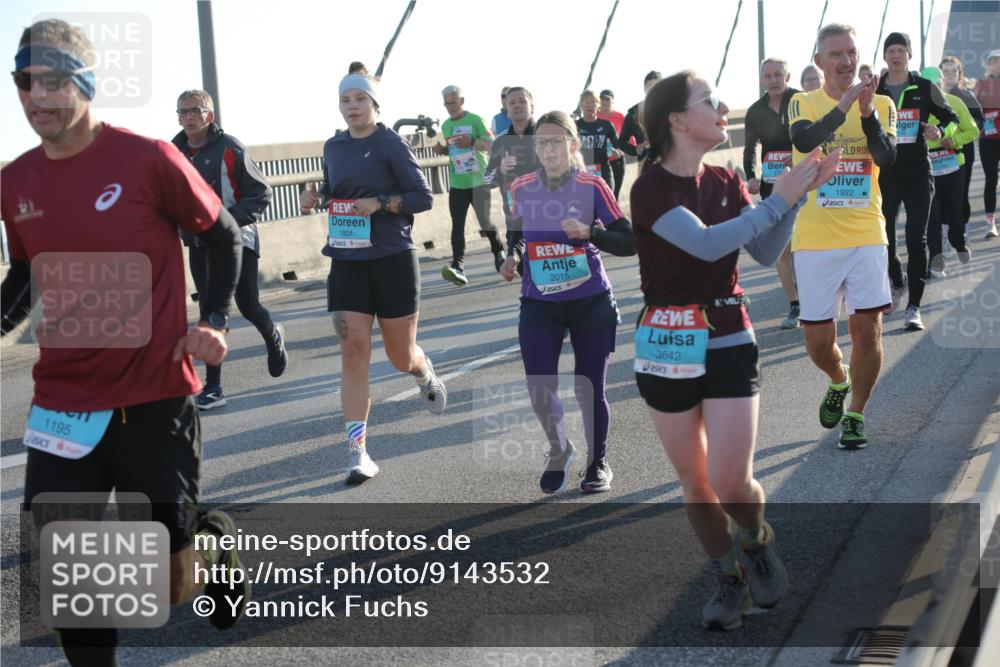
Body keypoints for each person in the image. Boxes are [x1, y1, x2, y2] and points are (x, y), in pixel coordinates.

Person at [1, 19, 251, 665]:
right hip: (61, 407)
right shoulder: (16, 180)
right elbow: (27, 274)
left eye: (53, 82)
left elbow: (223, 234)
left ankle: (215, 544)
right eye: (24, 82)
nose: (36, 97)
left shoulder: (148, 160)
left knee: (167, 585)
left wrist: (214, 320)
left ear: (84, 84)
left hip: (153, 399)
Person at [630, 70, 839, 630]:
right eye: (711, 101)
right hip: (665, 343)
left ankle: (755, 540)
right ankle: (728, 579)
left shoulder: (726, 179)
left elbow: (765, 251)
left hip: (728, 337)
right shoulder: (650, 187)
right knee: (696, 482)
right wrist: (779, 199)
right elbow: (702, 244)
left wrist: (793, 200)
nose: (724, 108)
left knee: (731, 479)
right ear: (677, 119)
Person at [298, 74, 444, 484]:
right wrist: (317, 199)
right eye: (345, 99)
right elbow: (333, 191)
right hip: (346, 260)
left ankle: (422, 370)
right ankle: (357, 452)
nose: (352, 106)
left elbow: (422, 197)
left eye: (360, 98)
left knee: (401, 356)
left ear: (376, 105)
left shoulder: (391, 145)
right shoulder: (334, 146)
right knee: (353, 351)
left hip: (393, 258)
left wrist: (379, 203)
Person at [500, 110, 635, 494]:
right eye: (541, 142)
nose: (548, 149)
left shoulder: (592, 185)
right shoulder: (521, 187)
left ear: (573, 145)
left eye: (557, 141)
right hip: (539, 300)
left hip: (590, 298)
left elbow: (627, 240)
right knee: (538, 386)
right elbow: (519, 234)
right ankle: (559, 448)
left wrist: (591, 232)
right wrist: (512, 257)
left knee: (589, 387)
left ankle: (597, 463)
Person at [788, 23, 898, 448]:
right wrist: (843, 108)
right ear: (819, 61)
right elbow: (804, 137)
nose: (846, 61)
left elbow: (886, 155)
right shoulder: (803, 102)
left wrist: (866, 113)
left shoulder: (882, 103)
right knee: (818, 341)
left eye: (851, 52)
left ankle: (855, 414)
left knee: (867, 330)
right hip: (815, 237)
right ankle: (838, 378)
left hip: (866, 230)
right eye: (835, 54)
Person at [172, 89, 287, 409]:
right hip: (198, 243)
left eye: (195, 110)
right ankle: (213, 387)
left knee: (247, 304)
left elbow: (260, 193)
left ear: (210, 115)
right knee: (210, 310)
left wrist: (225, 223)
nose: (188, 117)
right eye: (182, 112)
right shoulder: (173, 152)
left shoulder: (229, 147)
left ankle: (272, 334)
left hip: (237, 238)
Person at [876, 32, 960, 331]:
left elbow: (952, 118)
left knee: (916, 238)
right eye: (891, 51)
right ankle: (897, 281)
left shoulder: (924, 87)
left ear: (909, 55)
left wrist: (939, 131)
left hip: (917, 173)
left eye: (901, 50)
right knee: (883, 239)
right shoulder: (875, 89)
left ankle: (914, 308)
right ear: (885, 57)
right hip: (885, 175)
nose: (896, 55)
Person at [743, 57, 802, 329]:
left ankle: (815, 297)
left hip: (805, 180)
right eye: (768, 76)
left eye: (778, 74)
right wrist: (753, 175)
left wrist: (798, 157)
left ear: (787, 77)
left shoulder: (802, 101)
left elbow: (821, 136)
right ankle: (794, 304)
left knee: (806, 245)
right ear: (761, 80)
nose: (773, 79)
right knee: (782, 249)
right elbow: (750, 148)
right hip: (772, 188)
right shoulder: (755, 111)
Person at [433, 85, 505, 286]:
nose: (450, 107)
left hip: (478, 181)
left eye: (453, 103)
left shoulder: (475, 120)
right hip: (457, 183)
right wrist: (442, 150)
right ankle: (458, 265)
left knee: (485, 222)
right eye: (447, 104)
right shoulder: (446, 125)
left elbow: (492, 144)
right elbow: (453, 149)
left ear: (462, 101)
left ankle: (498, 251)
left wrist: (472, 141)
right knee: (457, 225)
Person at [921, 66, 980, 277]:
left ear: (942, 83)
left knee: (955, 212)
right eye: (929, 86)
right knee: (933, 215)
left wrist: (952, 140)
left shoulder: (955, 103)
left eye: (937, 84)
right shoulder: (917, 106)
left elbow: (973, 130)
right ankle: (936, 260)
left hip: (954, 164)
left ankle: (958, 241)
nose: (934, 89)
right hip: (927, 168)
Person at [485, 87, 540, 245]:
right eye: (512, 103)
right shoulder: (500, 142)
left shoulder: (547, 136)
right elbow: (487, 180)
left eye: (522, 101)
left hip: (549, 217)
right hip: (516, 223)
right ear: (507, 111)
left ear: (532, 107)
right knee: (520, 266)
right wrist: (501, 170)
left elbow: (570, 171)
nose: (517, 105)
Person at [940, 55, 985, 231]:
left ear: (959, 74)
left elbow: (979, 122)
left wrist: (958, 135)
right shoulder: (933, 94)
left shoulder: (967, 96)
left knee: (961, 191)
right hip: (938, 152)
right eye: (946, 71)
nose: (950, 74)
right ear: (940, 74)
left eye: (954, 71)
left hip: (963, 150)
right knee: (940, 191)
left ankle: (961, 228)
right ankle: (943, 230)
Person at [974, 49, 1000, 239]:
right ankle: (991, 224)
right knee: (991, 180)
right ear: (988, 64)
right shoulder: (981, 84)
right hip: (988, 139)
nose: (998, 64)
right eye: (994, 61)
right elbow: (973, 109)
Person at [576, 89, 622, 193]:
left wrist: (616, 153)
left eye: (593, 102)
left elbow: (620, 146)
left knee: (606, 207)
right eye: (587, 102)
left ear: (598, 105)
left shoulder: (607, 125)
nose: (590, 105)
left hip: (604, 174)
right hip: (582, 175)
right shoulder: (574, 126)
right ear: (581, 105)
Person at [620, 70, 661, 162]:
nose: (652, 88)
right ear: (644, 88)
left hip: (671, 163)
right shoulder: (634, 113)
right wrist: (635, 150)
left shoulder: (672, 110)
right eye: (649, 85)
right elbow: (621, 142)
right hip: (646, 164)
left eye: (656, 85)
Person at [598, 89, 627, 200]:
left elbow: (627, 140)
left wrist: (619, 152)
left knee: (615, 194)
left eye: (608, 99)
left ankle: (615, 216)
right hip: (599, 160)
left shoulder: (620, 117)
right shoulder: (594, 116)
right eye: (602, 99)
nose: (604, 102)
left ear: (613, 101)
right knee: (601, 193)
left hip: (617, 158)